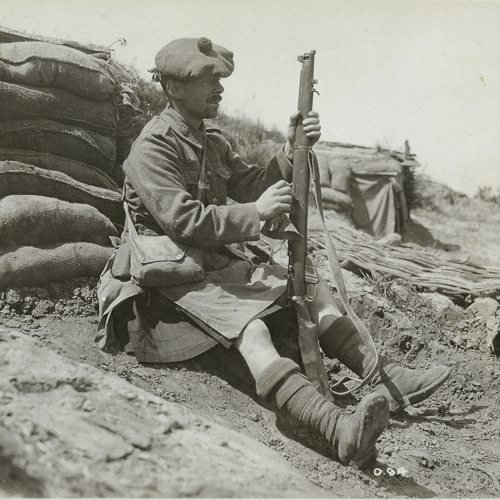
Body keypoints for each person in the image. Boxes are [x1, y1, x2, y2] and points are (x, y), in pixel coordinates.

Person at [96, 37, 451, 468]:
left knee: (312, 289)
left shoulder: (208, 139)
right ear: (173, 89)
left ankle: (386, 376)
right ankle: (337, 430)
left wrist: (291, 150)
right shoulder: (154, 146)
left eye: (220, 79)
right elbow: (183, 222)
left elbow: (250, 183)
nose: (220, 88)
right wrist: (255, 213)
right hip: (169, 282)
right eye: (208, 80)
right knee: (255, 331)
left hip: (213, 269)